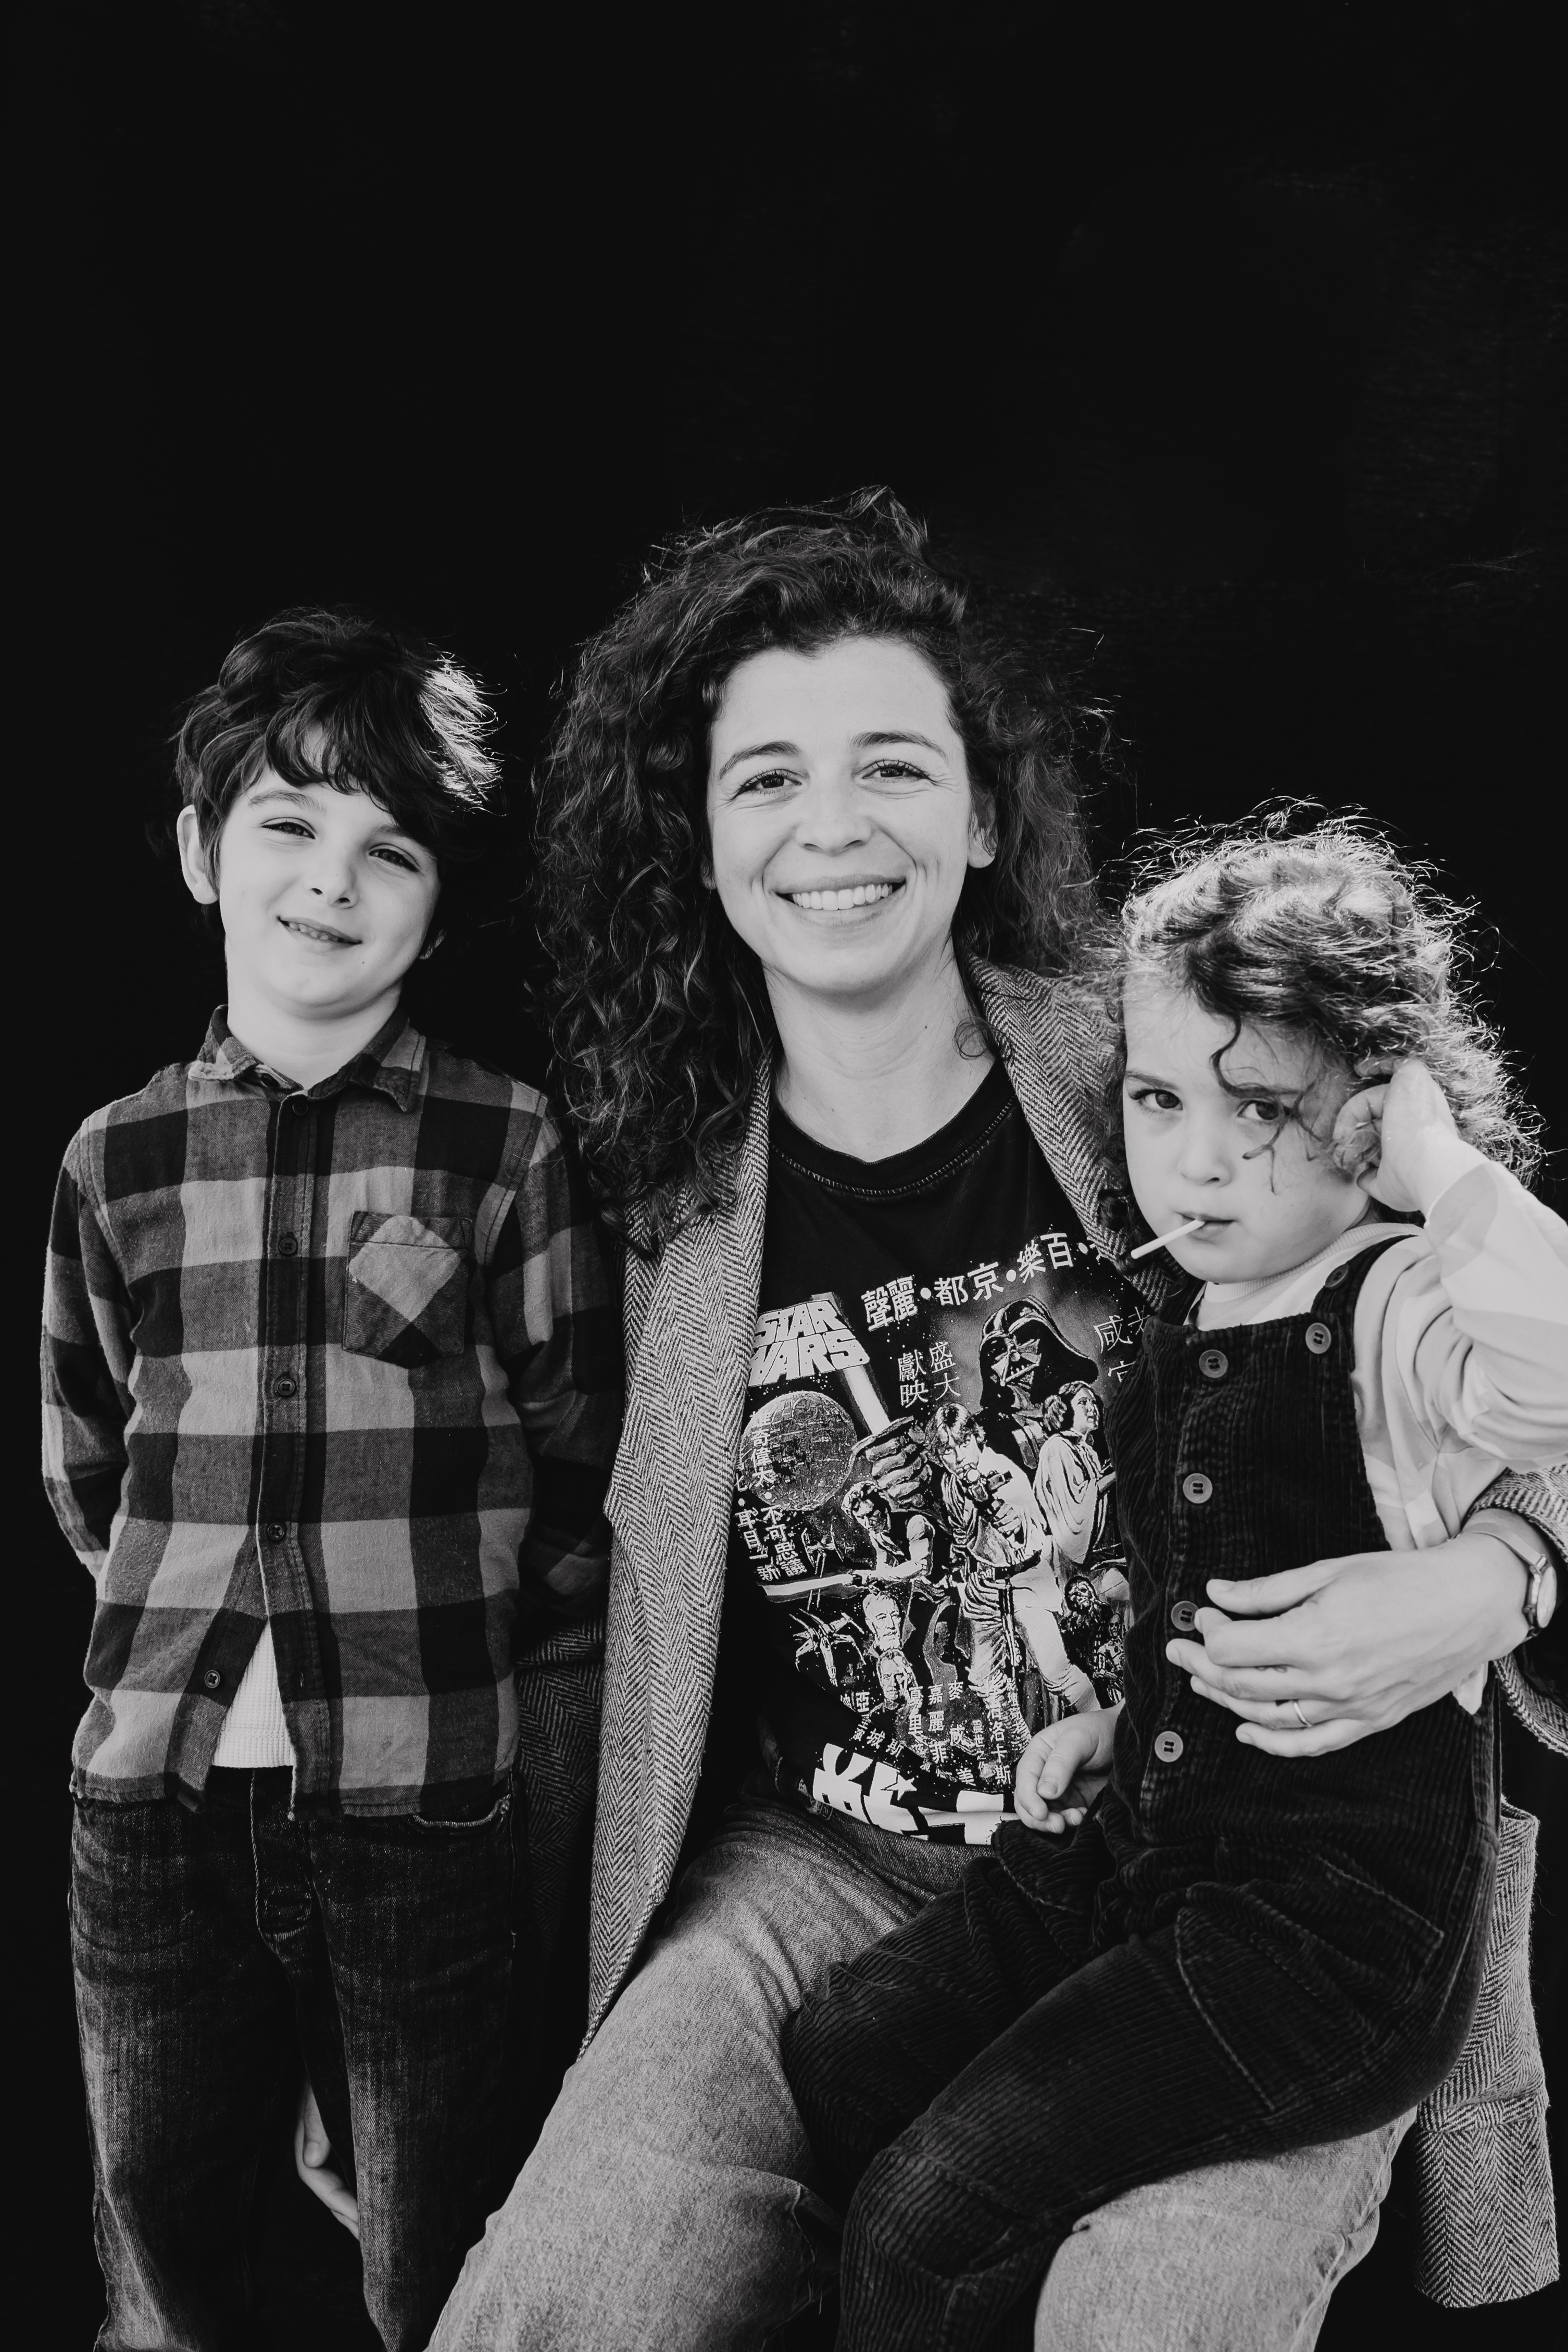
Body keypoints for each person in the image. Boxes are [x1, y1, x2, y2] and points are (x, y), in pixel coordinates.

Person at [431, 495, 1564, 2351]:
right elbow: (552, 1596)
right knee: (563, 2306)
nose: (831, 825)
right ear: (697, 841)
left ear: (979, 814)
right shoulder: (643, 1197)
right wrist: (407, 2017)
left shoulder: (1170, 1065)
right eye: (766, 778)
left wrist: (1501, 1572)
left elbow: (1485, 1339)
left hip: (1228, 1868)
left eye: (890, 763)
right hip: (826, 1855)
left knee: (1136, 2319)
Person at [780, 822, 1568, 2349]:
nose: (1195, 1158)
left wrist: (1437, 1167)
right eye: (1159, 1097)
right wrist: (1126, 1716)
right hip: (1147, 1852)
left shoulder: (1399, 1303)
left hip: (1319, 1938)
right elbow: (1182, 1587)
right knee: (846, 2048)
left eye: (1259, 1107)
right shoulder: (1193, 1298)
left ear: (1372, 1108)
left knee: (922, 2221)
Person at [42, 610, 620, 2351]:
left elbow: (577, 1443)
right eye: (289, 826)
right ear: (201, 852)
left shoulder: (504, 1140)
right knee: (162, 2201)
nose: (330, 880)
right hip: (156, 1794)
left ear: (436, 907)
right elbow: (88, 1457)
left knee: (432, 2215)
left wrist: (465, 1649)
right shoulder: (118, 1157)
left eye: (390, 850)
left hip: (421, 1794)